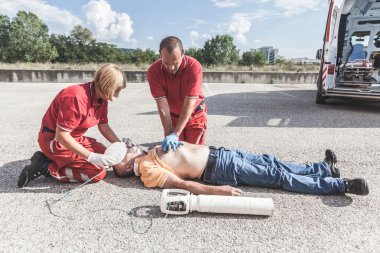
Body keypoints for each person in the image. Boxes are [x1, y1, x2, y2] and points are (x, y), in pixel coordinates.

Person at [113, 142, 369, 196]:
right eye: (124, 148)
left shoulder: (147, 152)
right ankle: (340, 185)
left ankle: (323, 169)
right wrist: (217, 192)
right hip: (218, 168)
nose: (128, 144)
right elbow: (181, 185)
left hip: (222, 153)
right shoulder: (146, 170)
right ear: (125, 164)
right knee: (276, 177)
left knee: (273, 162)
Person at [17, 64, 126, 188]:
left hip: (73, 138)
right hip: (55, 141)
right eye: (116, 90)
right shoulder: (75, 97)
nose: (116, 95)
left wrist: (121, 145)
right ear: (107, 84)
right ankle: (45, 166)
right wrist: (91, 157)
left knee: (107, 156)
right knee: (97, 173)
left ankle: (58, 161)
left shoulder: (101, 98)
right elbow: (61, 135)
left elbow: (104, 126)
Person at [147, 36, 207, 152]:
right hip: (173, 116)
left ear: (183, 53)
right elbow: (163, 107)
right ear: (160, 54)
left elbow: (189, 103)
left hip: (195, 114)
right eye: (166, 63)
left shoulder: (194, 67)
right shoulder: (154, 71)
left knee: (194, 153)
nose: (171, 67)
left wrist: (176, 134)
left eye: (175, 63)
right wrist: (169, 134)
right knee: (174, 154)